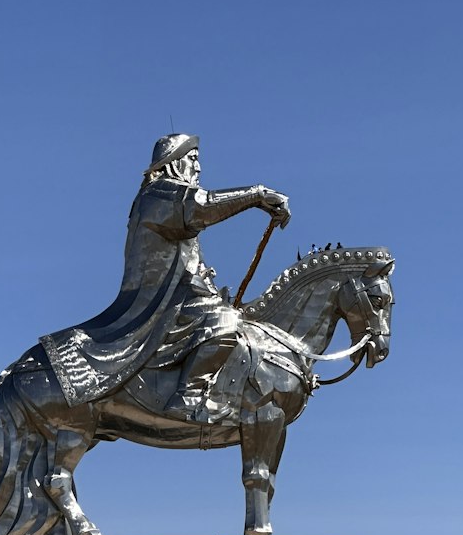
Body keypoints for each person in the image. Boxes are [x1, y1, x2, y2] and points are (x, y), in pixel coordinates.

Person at [36, 134, 292, 418]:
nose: (198, 168)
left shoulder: (163, 196)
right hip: (162, 304)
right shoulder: (160, 194)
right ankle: (188, 396)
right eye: (193, 160)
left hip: (181, 298)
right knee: (226, 322)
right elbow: (201, 207)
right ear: (174, 163)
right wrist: (256, 194)